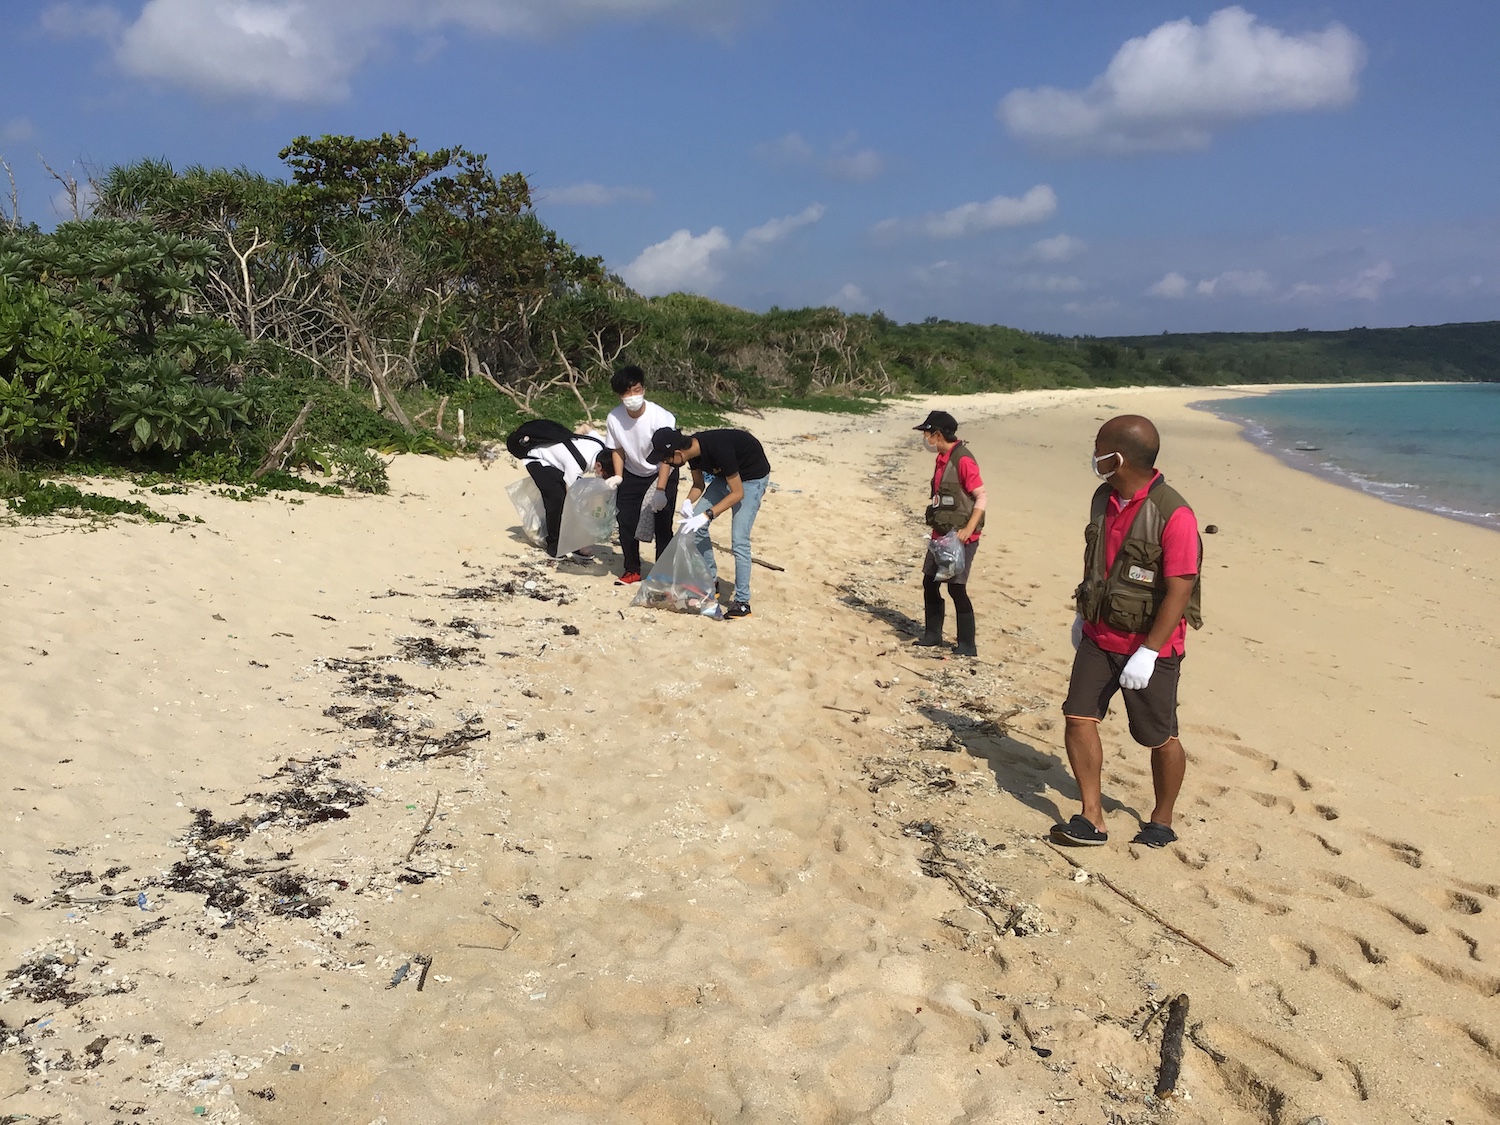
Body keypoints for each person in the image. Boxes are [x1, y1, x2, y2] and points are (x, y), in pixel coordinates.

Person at [1052, 414, 1202, 850]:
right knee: (1078, 717)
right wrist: (1083, 615)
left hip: (1150, 647)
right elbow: (1096, 562)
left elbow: (1181, 589)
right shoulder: (1103, 498)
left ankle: (1161, 819)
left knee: (1160, 737)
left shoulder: (1174, 514)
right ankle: (1091, 817)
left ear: (1117, 459)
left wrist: (1149, 652)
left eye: (1099, 448)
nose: (1093, 455)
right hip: (1099, 637)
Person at [646, 426, 770, 620]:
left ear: (678, 453)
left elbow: (738, 493)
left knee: (739, 540)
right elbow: (698, 485)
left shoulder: (720, 449)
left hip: (751, 479)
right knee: (694, 530)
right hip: (725, 478)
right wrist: (688, 502)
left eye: (666, 460)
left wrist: (707, 515)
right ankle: (711, 581)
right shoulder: (692, 454)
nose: (665, 464)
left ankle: (742, 602)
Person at [912, 410, 987, 657]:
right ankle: (932, 634)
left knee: (956, 588)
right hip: (941, 534)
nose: (925, 439)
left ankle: (967, 645)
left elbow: (981, 497)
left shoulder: (963, 460)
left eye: (927, 433)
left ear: (937, 434)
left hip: (961, 538)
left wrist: (967, 530)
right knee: (930, 581)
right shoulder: (942, 458)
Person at [603, 365, 679, 585]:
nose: (632, 396)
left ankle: (663, 574)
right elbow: (617, 449)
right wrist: (618, 476)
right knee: (625, 521)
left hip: (662, 470)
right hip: (632, 472)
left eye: (636, 390)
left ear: (643, 389)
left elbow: (667, 456)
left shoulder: (661, 417)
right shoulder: (614, 418)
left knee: (662, 524)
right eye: (627, 393)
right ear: (619, 395)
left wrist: (661, 490)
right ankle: (632, 569)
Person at [518, 424, 611, 560]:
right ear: (598, 465)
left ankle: (572, 543)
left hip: (557, 461)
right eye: (605, 475)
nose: (604, 479)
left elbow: (585, 427)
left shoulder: (601, 444)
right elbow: (571, 499)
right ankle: (554, 545)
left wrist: (567, 443)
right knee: (557, 500)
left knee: (566, 499)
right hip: (537, 458)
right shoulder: (577, 464)